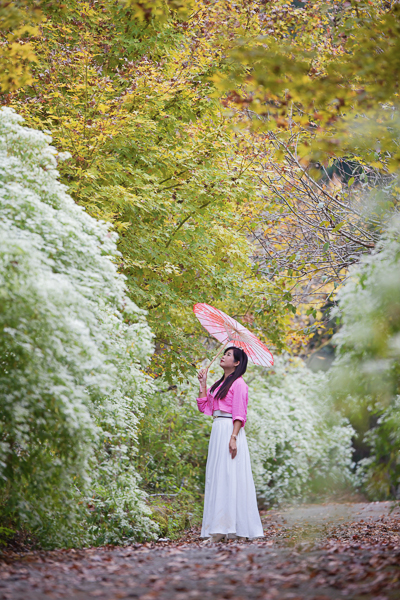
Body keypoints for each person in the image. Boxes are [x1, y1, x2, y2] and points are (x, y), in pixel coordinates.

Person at [197, 346, 264, 543]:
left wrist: (233, 437)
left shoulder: (239, 384)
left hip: (229, 430)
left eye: (228, 355)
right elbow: (205, 407)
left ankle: (230, 529)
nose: (224, 357)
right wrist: (203, 383)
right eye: (224, 354)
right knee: (217, 476)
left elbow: (239, 413)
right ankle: (219, 528)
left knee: (230, 476)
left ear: (236, 363)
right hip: (217, 429)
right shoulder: (220, 384)